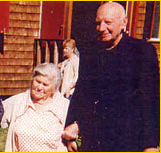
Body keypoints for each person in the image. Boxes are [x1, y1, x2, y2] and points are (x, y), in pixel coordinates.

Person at [63, 2, 160, 152]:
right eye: (98, 23)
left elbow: (151, 100)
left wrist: (151, 145)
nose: (101, 28)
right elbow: (82, 93)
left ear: (124, 23)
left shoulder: (141, 51)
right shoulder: (90, 52)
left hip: (128, 140)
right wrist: (71, 128)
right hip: (94, 139)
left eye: (108, 23)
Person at [0, 63, 69, 152]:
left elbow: (82, 124)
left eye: (45, 84)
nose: (39, 87)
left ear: (54, 88)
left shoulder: (63, 106)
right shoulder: (19, 102)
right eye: (38, 81)